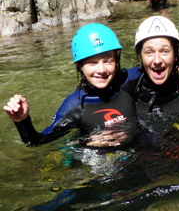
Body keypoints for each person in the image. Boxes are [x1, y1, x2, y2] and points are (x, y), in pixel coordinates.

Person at [3, 23, 140, 147]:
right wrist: (22, 121)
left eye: (108, 61)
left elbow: (153, 69)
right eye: (92, 62)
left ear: (117, 62)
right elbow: (37, 141)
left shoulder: (128, 81)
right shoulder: (74, 105)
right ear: (80, 66)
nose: (101, 70)